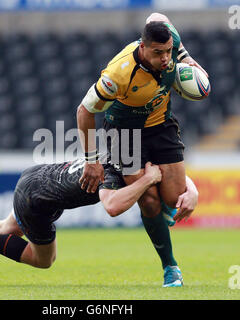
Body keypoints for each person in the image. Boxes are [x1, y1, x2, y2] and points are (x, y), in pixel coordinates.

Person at [76, 13, 207, 286]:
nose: (165, 59)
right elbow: (84, 111)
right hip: (125, 134)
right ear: (143, 47)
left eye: (169, 51)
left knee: (172, 200)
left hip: (161, 125)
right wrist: (91, 160)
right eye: (158, 53)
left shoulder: (171, 44)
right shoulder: (118, 73)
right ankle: (170, 267)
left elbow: (156, 16)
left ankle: (184, 185)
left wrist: (185, 57)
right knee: (148, 199)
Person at [0, 156, 198, 287]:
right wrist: (149, 180)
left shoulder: (126, 155)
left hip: (37, 178)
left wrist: (192, 189)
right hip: (38, 202)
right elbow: (112, 206)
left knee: (7, 228)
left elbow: (170, 168)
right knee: (43, 259)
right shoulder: (114, 175)